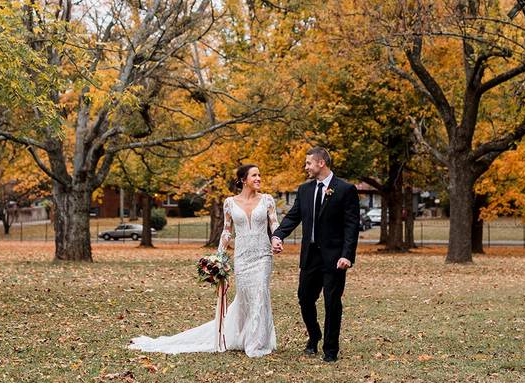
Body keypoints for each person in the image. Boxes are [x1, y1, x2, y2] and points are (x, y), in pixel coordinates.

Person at [129, 164, 278, 357]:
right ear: (243, 179)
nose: (259, 178)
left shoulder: (267, 200)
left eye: (259, 175)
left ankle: (257, 343)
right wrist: (218, 258)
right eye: (254, 175)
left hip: (263, 255)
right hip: (242, 258)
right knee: (245, 298)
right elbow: (226, 231)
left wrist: (276, 239)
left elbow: (274, 223)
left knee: (260, 293)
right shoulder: (229, 203)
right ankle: (240, 336)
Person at [271, 147, 360, 363]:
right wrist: (278, 235)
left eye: (308, 163)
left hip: (335, 258)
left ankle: (330, 349)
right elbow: (293, 217)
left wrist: (347, 255)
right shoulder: (304, 190)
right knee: (304, 298)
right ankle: (314, 335)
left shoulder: (345, 189)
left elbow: (351, 226)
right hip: (310, 256)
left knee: (332, 302)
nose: (306, 167)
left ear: (321, 163)